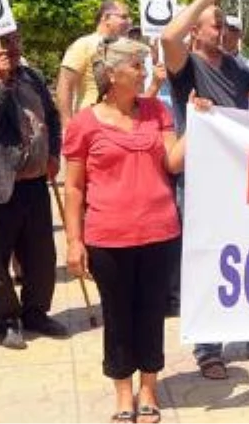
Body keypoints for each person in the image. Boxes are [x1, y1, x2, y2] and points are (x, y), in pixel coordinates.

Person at [160, 0, 249, 377]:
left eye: (224, 26)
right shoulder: (186, 66)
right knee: (207, 261)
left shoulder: (234, 67)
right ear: (196, 32)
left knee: (248, 258)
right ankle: (208, 348)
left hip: (240, 179)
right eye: (217, 24)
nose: (223, 31)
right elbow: (167, 38)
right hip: (201, 180)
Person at [63, 38, 189, 424]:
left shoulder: (157, 111)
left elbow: (172, 162)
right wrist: (73, 240)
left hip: (160, 232)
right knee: (118, 316)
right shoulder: (84, 122)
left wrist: (199, 125)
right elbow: (74, 187)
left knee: (152, 313)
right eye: (136, 65)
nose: (144, 71)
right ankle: (122, 393)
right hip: (108, 237)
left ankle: (148, 387)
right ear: (112, 74)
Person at [0, 31, 68, 349]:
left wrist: (52, 153)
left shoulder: (33, 77)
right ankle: (6, 321)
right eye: (4, 43)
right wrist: (1, 81)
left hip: (34, 183)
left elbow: (52, 117)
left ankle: (36, 312)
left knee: (41, 257)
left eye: (16, 40)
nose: (13, 48)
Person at [56, 0, 132, 129]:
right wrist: (66, 125)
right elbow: (65, 85)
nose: (129, 22)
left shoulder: (127, 48)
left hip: (122, 123)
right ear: (105, 18)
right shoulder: (83, 44)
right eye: (124, 17)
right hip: (91, 125)